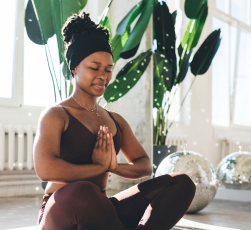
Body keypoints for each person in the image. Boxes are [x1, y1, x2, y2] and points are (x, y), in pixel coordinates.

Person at [33, 11, 196, 230]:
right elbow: (45, 168)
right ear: (74, 67)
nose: (104, 75)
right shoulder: (57, 114)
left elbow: (144, 165)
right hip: (64, 211)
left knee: (181, 183)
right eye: (94, 67)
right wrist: (98, 167)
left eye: (108, 69)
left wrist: (113, 167)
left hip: (101, 210)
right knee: (84, 191)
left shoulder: (115, 120)